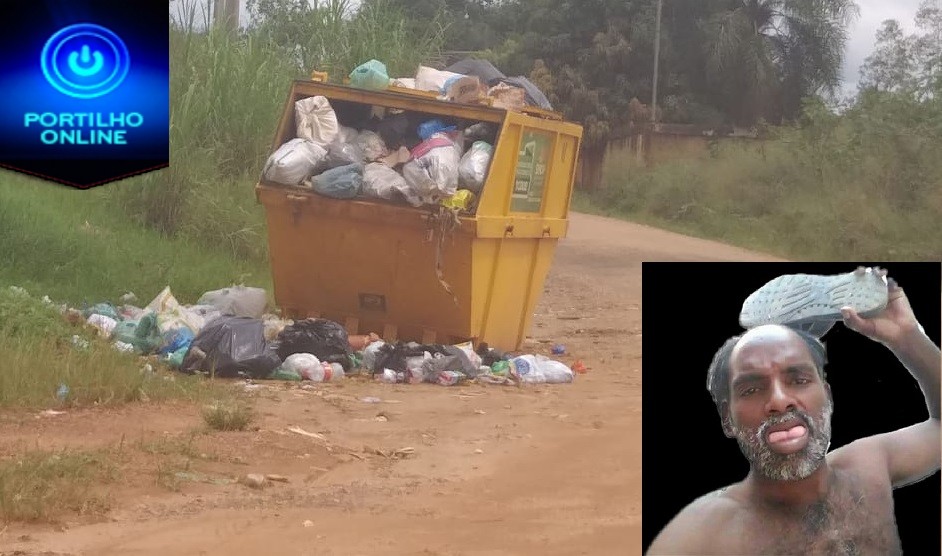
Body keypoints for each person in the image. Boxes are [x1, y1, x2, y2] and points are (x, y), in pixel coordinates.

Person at [646, 270, 940, 555]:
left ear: (827, 396)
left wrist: (907, 336)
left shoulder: (870, 467)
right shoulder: (699, 537)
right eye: (751, 389)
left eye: (798, 380)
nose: (780, 400)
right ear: (727, 418)